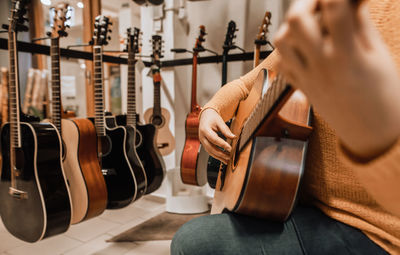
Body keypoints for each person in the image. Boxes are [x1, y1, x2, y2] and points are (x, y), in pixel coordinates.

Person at [171, 0, 400, 254]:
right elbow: (248, 83)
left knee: (195, 244)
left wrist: (378, 138)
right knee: (193, 239)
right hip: (296, 202)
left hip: (377, 233)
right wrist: (211, 110)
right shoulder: (324, 11)